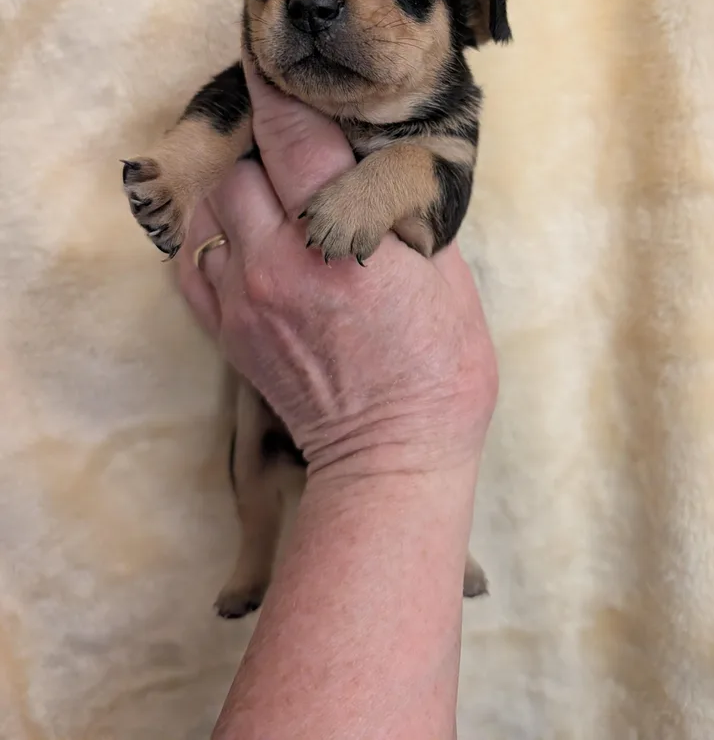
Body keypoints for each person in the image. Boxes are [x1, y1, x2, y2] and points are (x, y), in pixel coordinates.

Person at [177, 60, 499, 740]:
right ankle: (253, 560)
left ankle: (448, 548)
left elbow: (436, 190)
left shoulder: (442, 114)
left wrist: (393, 440)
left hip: (400, 367)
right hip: (260, 368)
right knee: (250, 459)